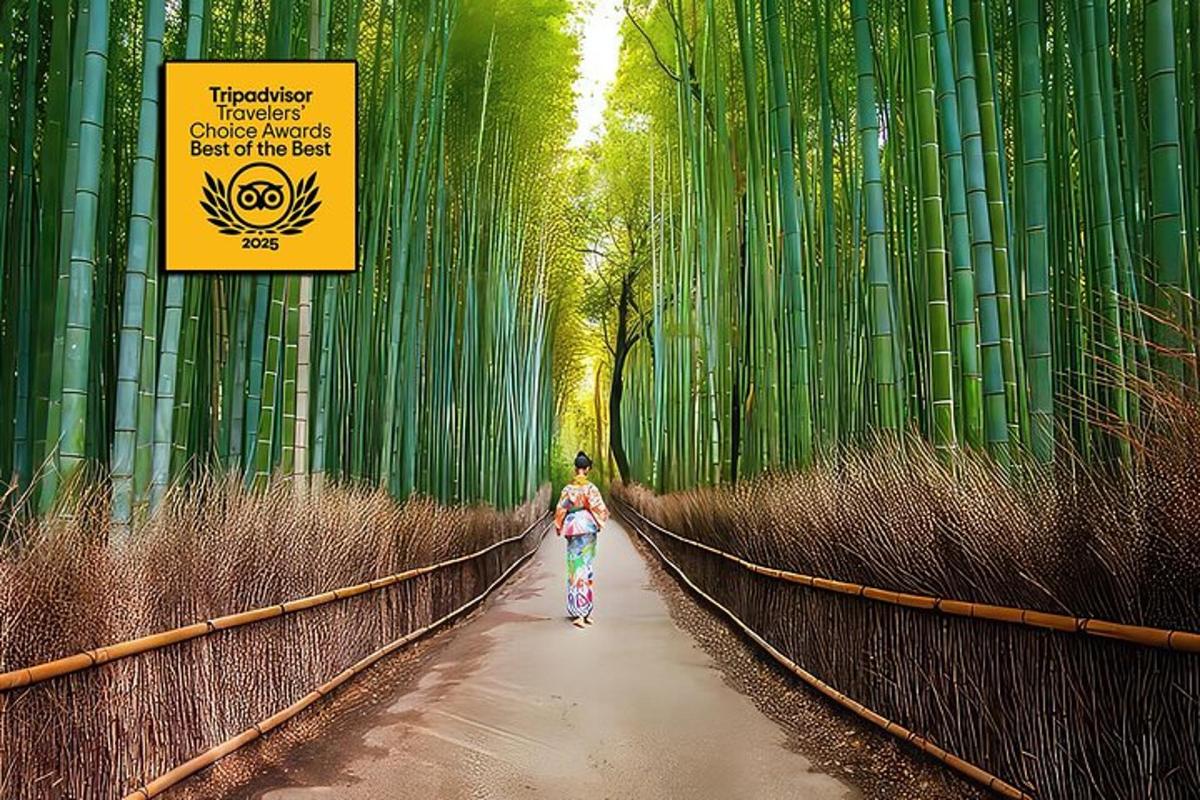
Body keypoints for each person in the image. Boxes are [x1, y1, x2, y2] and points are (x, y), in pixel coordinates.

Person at [554, 451, 609, 628]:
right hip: (587, 528)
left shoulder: (568, 489)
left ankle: (579, 612)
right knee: (586, 567)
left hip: (572, 528)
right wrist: (599, 522)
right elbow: (599, 508)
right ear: (587, 469)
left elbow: (561, 509)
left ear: (575, 468)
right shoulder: (591, 489)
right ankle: (584, 612)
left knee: (574, 568)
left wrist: (559, 525)